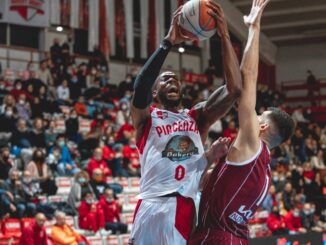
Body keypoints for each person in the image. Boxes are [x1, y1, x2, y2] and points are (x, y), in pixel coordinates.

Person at [129, 1, 242, 244]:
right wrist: (167, 43)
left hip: (183, 206)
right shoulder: (147, 118)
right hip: (149, 204)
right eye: (165, 80)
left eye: (175, 79)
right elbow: (140, 86)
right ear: (156, 92)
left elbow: (234, 89)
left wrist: (223, 35)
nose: (171, 81)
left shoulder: (197, 118)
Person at [189, 1, 295, 244]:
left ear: (263, 127)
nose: (252, 117)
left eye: (259, 117)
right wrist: (210, 162)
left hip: (216, 238)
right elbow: (209, 188)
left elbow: (248, 78)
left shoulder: (251, 144)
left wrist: (253, 28)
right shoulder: (263, 169)